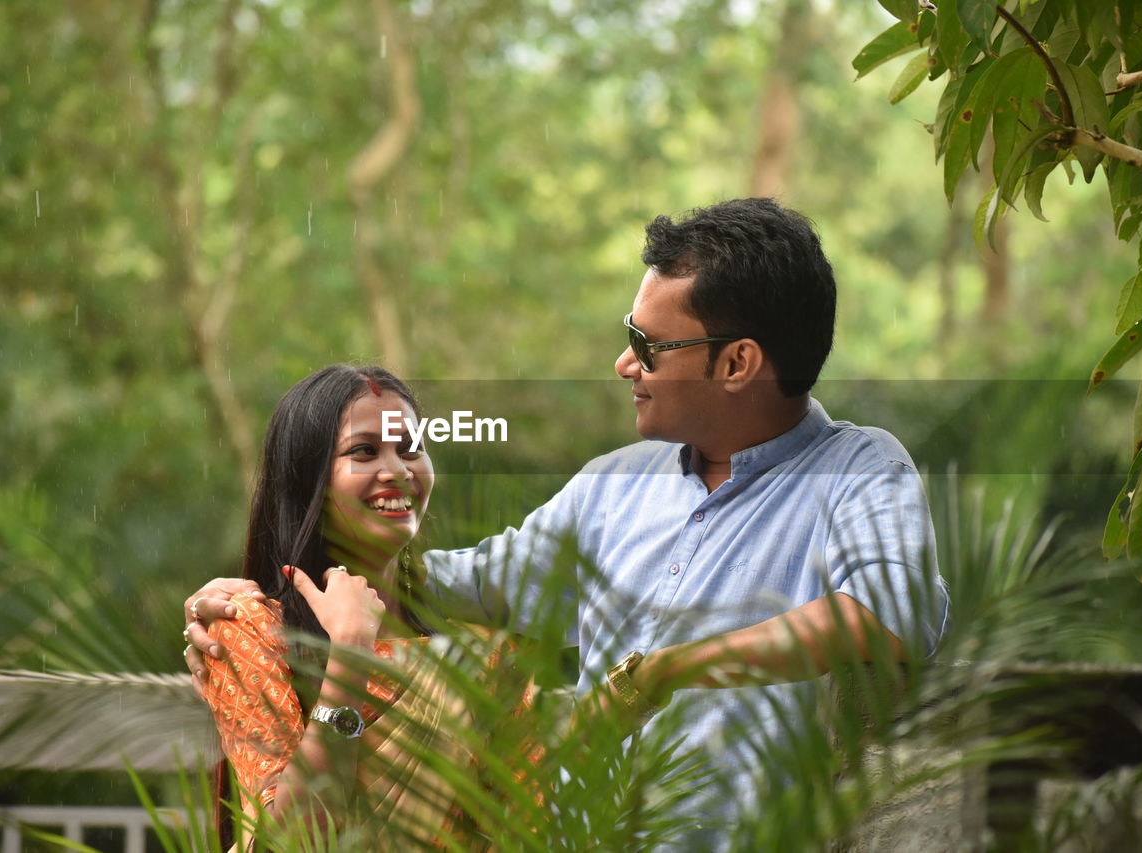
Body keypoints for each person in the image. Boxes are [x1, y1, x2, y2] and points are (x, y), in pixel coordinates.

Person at [186, 198, 950, 848]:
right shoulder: (611, 487)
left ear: (737, 363)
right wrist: (262, 585)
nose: (625, 363)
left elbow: (890, 614)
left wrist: (664, 670)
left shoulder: (860, 471)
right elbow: (457, 581)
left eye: (648, 345)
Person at [194, 364, 535, 852]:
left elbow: (530, 830)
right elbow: (292, 840)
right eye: (364, 451)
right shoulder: (250, 632)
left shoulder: (482, 654)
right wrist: (350, 654)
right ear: (308, 479)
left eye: (411, 448)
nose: (397, 470)